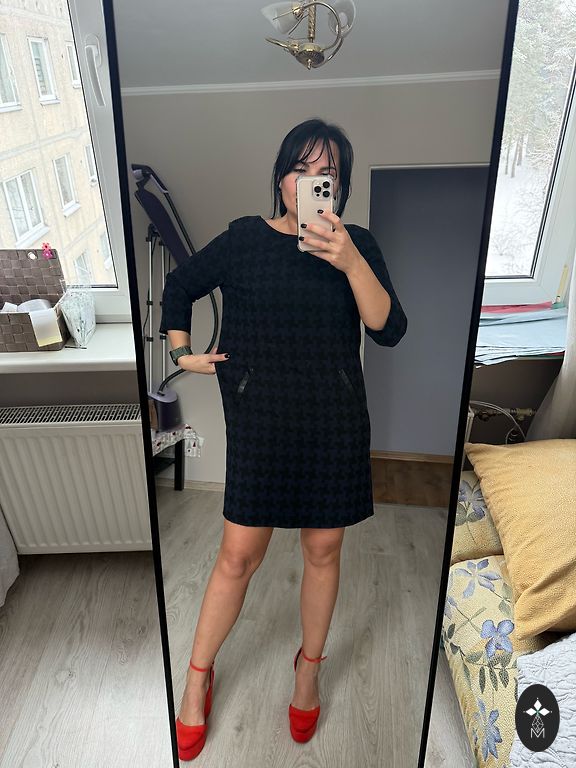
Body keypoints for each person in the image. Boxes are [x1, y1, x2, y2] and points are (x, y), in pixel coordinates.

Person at [159, 118, 408, 760]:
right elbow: (181, 284)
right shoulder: (245, 239)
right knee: (238, 556)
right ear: (281, 180)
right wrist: (182, 352)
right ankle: (197, 676)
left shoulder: (358, 246)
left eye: (326, 173)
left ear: (339, 188)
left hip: (333, 423)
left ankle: (308, 669)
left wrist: (349, 260)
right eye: (300, 169)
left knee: (323, 549)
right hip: (261, 423)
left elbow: (388, 328)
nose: (311, 182)